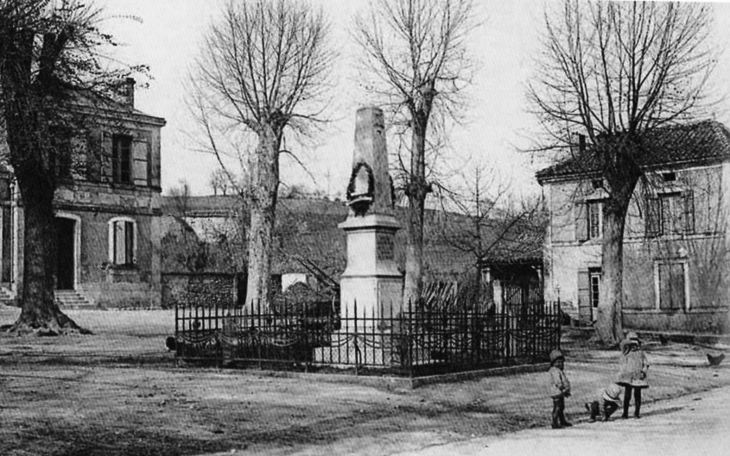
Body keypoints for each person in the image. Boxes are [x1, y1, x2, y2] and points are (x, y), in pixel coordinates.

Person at [617, 331, 649, 419]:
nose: (634, 346)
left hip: (638, 376)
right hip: (628, 376)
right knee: (627, 395)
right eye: (632, 344)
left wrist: (643, 371)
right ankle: (625, 413)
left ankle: (637, 412)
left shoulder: (641, 353)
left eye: (635, 344)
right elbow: (622, 362)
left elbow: (646, 364)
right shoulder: (626, 352)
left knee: (637, 394)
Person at [548, 348, 572, 429]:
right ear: (553, 363)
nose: (560, 364)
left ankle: (562, 420)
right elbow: (558, 382)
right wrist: (562, 388)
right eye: (557, 362)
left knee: (561, 407)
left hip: (560, 392)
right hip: (557, 392)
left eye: (561, 362)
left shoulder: (559, 370)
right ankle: (554, 423)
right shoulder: (554, 371)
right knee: (557, 407)